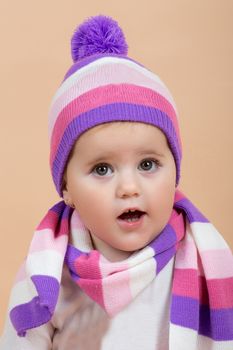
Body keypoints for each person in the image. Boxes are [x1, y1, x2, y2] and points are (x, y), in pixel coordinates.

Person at [0, 15, 232, 350]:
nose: (128, 187)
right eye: (102, 169)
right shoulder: (47, 275)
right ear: (66, 188)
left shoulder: (204, 262)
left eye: (148, 164)